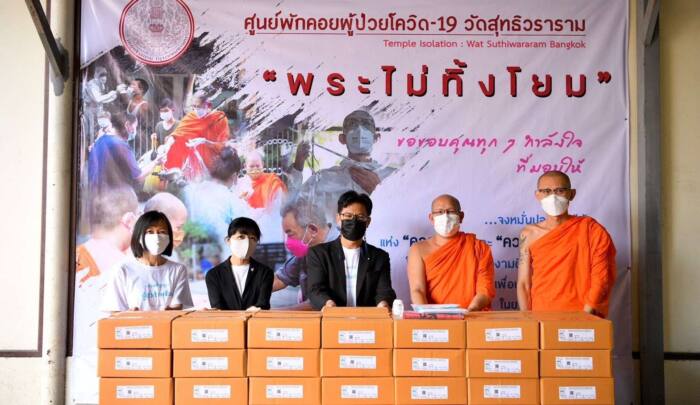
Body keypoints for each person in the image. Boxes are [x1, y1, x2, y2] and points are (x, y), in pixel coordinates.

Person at [516, 170, 617, 317]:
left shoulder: (591, 230)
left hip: (583, 314)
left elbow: (601, 278)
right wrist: (528, 319)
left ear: (572, 194)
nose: (553, 197)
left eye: (560, 191)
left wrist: (586, 315)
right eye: (546, 191)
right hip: (541, 314)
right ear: (538, 195)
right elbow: (523, 283)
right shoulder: (528, 234)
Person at [292, 110, 395, 223]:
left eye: (366, 124)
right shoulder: (323, 179)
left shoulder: (394, 176)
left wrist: (379, 191)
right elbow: (292, 209)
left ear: (376, 137)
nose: (360, 129)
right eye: (353, 124)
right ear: (342, 139)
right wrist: (298, 166)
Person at [306, 190, 396, 309]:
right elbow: (315, 289)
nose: (354, 221)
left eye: (360, 217)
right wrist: (329, 304)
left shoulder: (379, 257)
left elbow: (384, 291)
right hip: (332, 317)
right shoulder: (319, 254)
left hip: (366, 318)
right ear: (338, 218)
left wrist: (383, 304)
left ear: (368, 222)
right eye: (348, 216)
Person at [407, 194, 495, 311]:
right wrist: (428, 315)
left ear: (461, 216)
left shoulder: (479, 248)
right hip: (434, 318)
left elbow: (485, 290)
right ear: (431, 218)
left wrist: (470, 311)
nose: (445, 216)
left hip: (473, 315)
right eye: (440, 212)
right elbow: (417, 290)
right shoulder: (418, 250)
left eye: (451, 211)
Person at [102, 211, 193, 311]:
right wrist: (129, 315)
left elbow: (177, 307)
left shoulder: (178, 270)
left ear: (169, 237)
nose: (156, 236)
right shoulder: (122, 270)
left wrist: (170, 312)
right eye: (150, 231)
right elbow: (114, 310)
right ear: (139, 236)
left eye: (162, 232)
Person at [273, 198, 340, 309]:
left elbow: (316, 304)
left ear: (312, 230)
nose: (288, 241)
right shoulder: (309, 249)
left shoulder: (339, 252)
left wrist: (272, 314)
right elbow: (280, 278)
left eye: (290, 234)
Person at [182, 147, 250, 252]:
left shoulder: (190, 190)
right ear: (234, 176)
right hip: (219, 253)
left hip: (189, 251)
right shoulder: (232, 200)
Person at [205, 217, 274, 310]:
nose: (247, 242)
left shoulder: (265, 273)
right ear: (228, 241)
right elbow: (217, 308)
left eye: (252, 238)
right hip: (226, 320)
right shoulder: (214, 275)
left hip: (255, 319)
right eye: (241, 237)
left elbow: (263, 304)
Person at [87, 112, 162, 195]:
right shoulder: (120, 145)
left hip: (95, 196)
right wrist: (156, 162)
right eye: (135, 127)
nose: (134, 131)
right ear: (127, 125)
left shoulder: (99, 142)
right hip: (114, 198)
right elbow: (138, 177)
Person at [164, 91, 230, 179]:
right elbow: (177, 134)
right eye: (193, 107)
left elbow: (223, 146)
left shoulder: (219, 119)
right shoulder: (191, 117)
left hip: (214, 167)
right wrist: (166, 147)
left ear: (208, 105)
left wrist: (205, 142)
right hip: (195, 168)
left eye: (198, 107)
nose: (195, 110)